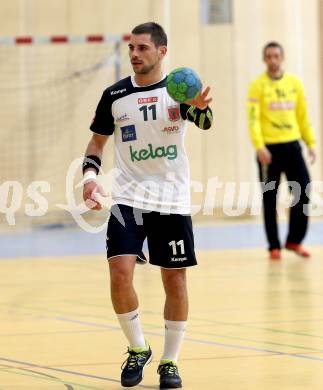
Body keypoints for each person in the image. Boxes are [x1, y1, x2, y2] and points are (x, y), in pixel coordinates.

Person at [82, 22, 213, 388]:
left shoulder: (179, 90)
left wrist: (199, 107)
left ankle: (170, 361)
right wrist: (90, 179)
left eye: (142, 48)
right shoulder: (114, 95)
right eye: (132, 48)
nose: (135, 54)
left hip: (171, 200)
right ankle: (138, 348)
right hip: (128, 200)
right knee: (120, 273)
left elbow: (204, 121)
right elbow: (96, 145)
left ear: (161, 51)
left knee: (175, 280)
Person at [247, 41, 316, 260]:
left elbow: (302, 116)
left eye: (276, 55)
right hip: (269, 150)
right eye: (268, 56)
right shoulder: (257, 86)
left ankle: (294, 241)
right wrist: (259, 146)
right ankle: (273, 246)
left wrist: (310, 143)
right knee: (270, 197)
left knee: (303, 190)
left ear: (282, 57)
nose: (273, 59)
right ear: (264, 59)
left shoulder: (295, 83)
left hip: (293, 146)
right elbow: (253, 119)